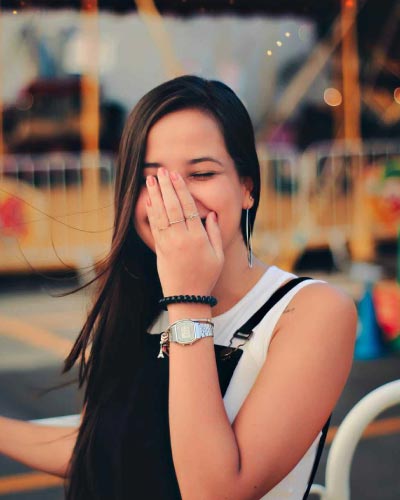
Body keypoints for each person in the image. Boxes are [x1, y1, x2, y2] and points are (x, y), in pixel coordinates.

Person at [0, 75, 357, 499]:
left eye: (202, 173)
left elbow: (213, 492)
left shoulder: (310, 311)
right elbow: (106, 446)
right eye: (153, 179)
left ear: (247, 187)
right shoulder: (138, 297)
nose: (178, 199)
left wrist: (188, 300)